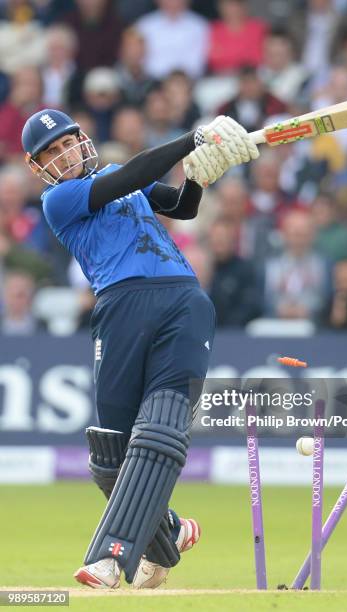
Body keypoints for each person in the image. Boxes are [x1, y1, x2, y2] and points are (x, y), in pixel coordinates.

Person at [21, 108, 259, 589]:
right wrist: (192, 140)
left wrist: (196, 179)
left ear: (82, 140)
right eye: (51, 152)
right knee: (109, 457)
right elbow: (134, 174)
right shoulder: (60, 200)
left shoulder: (113, 175)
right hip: (120, 306)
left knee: (160, 426)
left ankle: (111, 559)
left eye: (67, 142)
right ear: (39, 166)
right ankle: (169, 532)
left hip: (181, 298)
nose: (63, 155)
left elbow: (182, 207)